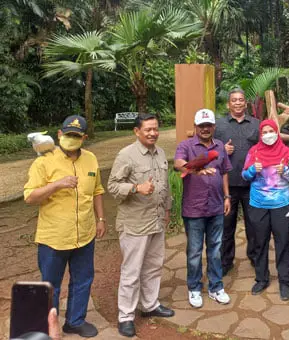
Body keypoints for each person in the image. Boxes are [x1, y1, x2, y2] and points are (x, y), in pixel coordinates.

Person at [24, 115, 105, 338]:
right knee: (51, 285)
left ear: (84, 138)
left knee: (83, 280)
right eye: (67, 134)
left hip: (85, 234)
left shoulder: (91, 159)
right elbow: (30, 196)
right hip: (54, 237)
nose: (71, 139)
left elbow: (97, 191)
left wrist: (101, 220)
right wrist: (57, 184)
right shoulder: (44, 161)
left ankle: (75, 321)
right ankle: (48, 326)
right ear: (59, 134)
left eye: (76, 136)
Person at [107, 114, 174, 337]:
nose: (153, 133)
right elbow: (113, 187)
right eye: (148, 130)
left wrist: (167, 210)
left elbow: (165, 186)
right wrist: (136, 188)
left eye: (155, 129)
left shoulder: (161, 153)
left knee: (154, 265)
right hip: (135, 223)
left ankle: (150, 305)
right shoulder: (126, 155)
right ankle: (125, 316)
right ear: (137, 131)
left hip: (156, 220)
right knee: (132, 271)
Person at [174, 109, 232, 308]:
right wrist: (192, 168)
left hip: (216, 206)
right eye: (201, 125)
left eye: (208, 125)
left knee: (215, 250)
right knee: (194, 251)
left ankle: (216, 287)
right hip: (194, 208)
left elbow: (224, 172)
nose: (205, 129)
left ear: (214, 126)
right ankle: (194, 288)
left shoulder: (220, 146)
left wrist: (227, 196)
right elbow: (178, 163)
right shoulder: (186, 145)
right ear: (196, 127)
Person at [241, 119, 289, 300]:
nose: (267, 135)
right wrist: (252, 171)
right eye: (264, 132)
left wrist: (286, 171)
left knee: (283, 242)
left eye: (270, 131)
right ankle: (262, 278)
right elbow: (244, 175)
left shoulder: (286, 152)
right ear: (260, 134)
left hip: (282, 204)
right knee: (260, 242)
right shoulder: (254, 152)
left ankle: (284, 281)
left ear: (277, 132)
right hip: (259, 204)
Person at [215, 88, 260, 275]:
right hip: (227, 185)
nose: (238, 103)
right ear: (229, 104)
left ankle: (256, 258)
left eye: (241, 100)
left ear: (246, 103)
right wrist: (221, 150)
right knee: (226, 226)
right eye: (234, 100)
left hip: (252, 185)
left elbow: (264, 149)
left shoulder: (256, 124)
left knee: (254, 225)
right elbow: (208, 150)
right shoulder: (219, 125)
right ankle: (226, 261)